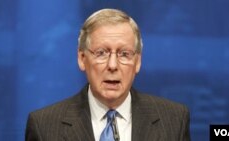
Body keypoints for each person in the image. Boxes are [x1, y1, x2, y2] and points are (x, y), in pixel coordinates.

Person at [25, 8, 190, 141]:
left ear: (137, 62)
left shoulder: (174, 120)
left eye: (124, 54)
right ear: (82, 58)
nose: (112, 65)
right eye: (101, 53)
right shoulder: (44, 126)